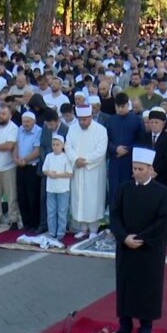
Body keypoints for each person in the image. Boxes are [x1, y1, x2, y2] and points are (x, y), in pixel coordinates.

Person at [109, 147, 167, 333]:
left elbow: (162, 221)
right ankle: (125, 325)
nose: (136, 172)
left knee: (147, 287)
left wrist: (141, 238)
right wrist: (124, 237)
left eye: (140, 169)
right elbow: (115, 215)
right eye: (134, 168)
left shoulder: (162, 192)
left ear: (150, 169)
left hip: (149, 248)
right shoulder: (124, 189)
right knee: (126, 285)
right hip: (126, 246)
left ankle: (145, 327)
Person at [66, 105, 108, 238]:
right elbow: (67, 146)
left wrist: (86, 161)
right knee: (79, 199)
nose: (82, 122)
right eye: (80, 120)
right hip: (78, 169)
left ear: (90, 117)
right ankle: (83, 229)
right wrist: (75, 159)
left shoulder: (100, 130)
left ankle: (94, 230)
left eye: (85, 119)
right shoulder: (72, 129)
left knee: (93, 199)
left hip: (93, 170)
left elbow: (101, 150)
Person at [106, 93, 143, 208]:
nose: (120, 109)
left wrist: (128, 149)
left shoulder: (137, 120)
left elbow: (141, 141)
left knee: (128, 191)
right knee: (114, 192)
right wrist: (115, 148)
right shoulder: (111, 120)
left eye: (123, 106)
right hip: (115, 161)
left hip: (130, 162)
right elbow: (106, 140)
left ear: (128, 105)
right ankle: (114, 223)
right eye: (118, 107)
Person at [13, 111, 42, 231]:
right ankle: (26, 222)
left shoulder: (39, 131)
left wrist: (24, 159)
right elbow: (16, 146)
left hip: (32, 167)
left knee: (33, 196)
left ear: (34, 121)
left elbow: (37, 151)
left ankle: (35, 223)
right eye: (23, 121)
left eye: (27, 121)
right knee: (22, 195)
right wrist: (15, 158)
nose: (25, 124)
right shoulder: (20, 129)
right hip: (20, 166)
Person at [41, 134, 73, 240]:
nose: (55, 146)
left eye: (57, 144)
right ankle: (51, 232)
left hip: (63, 189)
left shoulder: (66, 157)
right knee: (51, 211)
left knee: (62, 212)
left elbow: (69, 173)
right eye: (53, 144)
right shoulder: (49, 156)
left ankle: (60, 233)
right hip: (51, 189)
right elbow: (44, 170)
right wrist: (49, 173)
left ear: (62, 145)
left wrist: (57, 175)